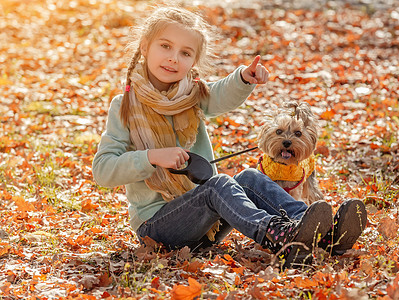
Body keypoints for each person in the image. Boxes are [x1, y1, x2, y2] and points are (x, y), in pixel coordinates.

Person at [92, 4, 366, 267]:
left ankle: (317, 231)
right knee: (217, 184)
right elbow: (103, 171)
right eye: (165, 46)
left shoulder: (191, 93)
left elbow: (219, 95)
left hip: (204, 220)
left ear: (194, 61)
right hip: (157, 226)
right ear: (144, 47)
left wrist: (244, 78)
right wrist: (151, 157)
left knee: (247, 177)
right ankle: (277, 235)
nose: (174, 58)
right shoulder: (124, 106)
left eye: (186, 53)